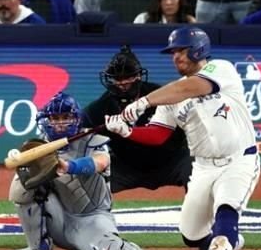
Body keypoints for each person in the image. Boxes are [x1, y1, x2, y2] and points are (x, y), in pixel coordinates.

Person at [107, 26, 260, 250]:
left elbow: (194, 87)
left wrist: (144, 102)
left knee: (227, 207)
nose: (175, 56)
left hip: (238, 159)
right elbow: (158, 134)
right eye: (173, 52)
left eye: (181, 50)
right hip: (202, 168)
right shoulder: (173, 93)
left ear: (199, 49)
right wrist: (127, 132)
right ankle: (229, 238)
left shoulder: (220, 69)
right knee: (191, 235)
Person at [7, 91, 146, 250]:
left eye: (65, 117)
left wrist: (69, 167)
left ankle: (131, 249)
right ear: (47, 121)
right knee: (21, 189)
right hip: (60, 220)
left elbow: (101, 162)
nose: (60, 123)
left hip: (92, 219)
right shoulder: (40, 147)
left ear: (76, 118)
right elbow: (22, 188)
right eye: (55, 118)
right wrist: (26, 169)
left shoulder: (92, 140)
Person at [80, 46, 192, 193]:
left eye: (128, 77)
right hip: (127, 168)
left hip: (171, 162)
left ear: (139, 76)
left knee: (196, 164)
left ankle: (204, 211)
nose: (122, 83)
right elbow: (80, 135)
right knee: (94, 173)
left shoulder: (162, 96)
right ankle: (95, 214)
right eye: (117, 79)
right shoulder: (98, 109)